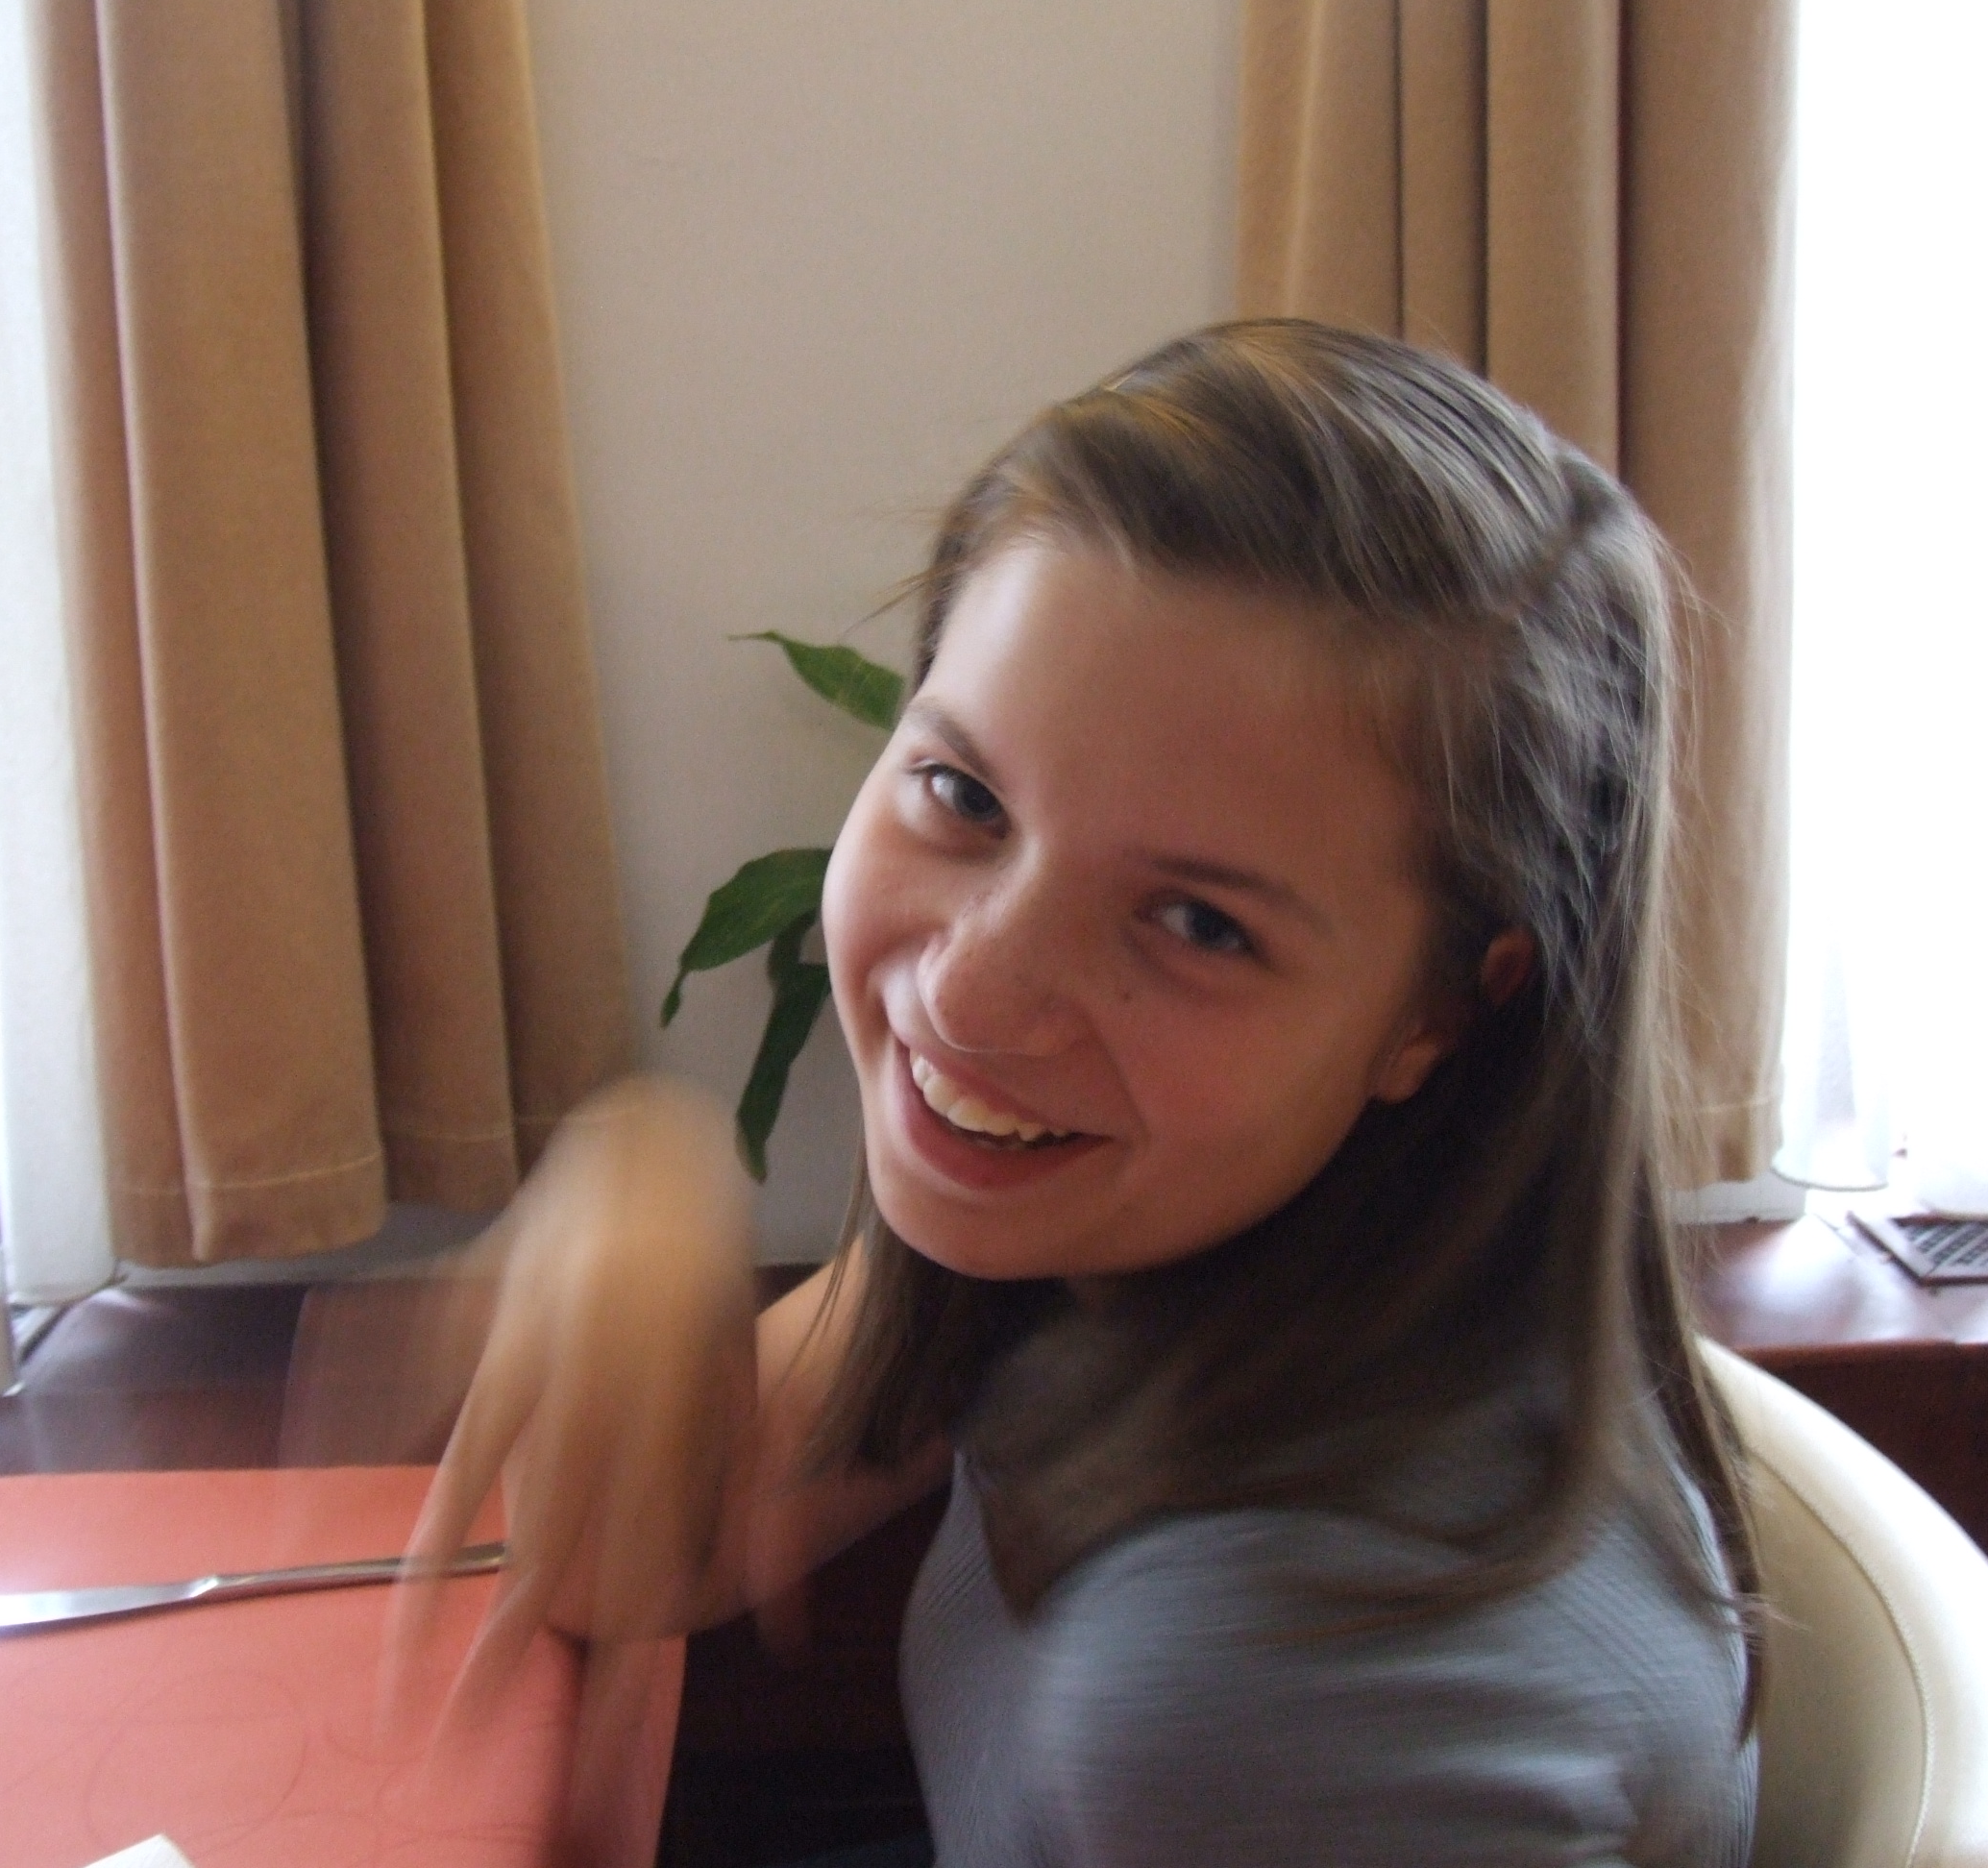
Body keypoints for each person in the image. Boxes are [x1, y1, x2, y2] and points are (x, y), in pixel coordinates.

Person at [397, 321, 1760, 1867]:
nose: (974, 996)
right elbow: (638, 1554)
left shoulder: (1285, 1699)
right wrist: (641, 1197)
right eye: (964, 796)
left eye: (1198, 924)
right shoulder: (1186, 1226)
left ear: (1442, 1009)